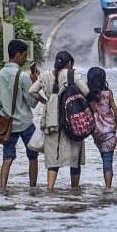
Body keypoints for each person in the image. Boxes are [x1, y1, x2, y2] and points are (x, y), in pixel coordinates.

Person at [29, 51, 89, 191]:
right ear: (69, 64)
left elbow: (32, 91)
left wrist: (45, 100)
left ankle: (50, 189)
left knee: (53, 158)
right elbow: (86, 91)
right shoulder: (72, 75)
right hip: (71, 118)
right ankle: (75, 191)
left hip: (51, 119)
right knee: (75, 158)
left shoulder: (44, 75)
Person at [0, 40, 40, 188]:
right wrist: (35, 83)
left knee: (7, 158)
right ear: (18, 55)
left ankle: (3, 188)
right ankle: (32, 188)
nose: (25, 59)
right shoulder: (24, 76)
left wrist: (4, 115)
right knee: (33, 157)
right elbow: (32, 103)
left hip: (7, 125)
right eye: (25, 56)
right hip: (25, 123)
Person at [87, 67, 117, 188]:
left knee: (103, 156)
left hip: (96, 133)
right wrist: (113, 125)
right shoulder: (107, 94)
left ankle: (107, 186)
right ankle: (108, 188)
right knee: (108, 161)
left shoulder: (88, 95)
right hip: (109, 132)